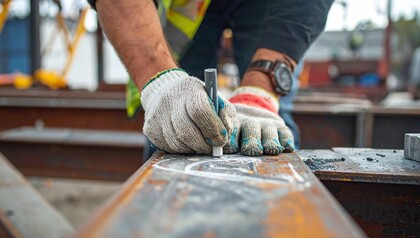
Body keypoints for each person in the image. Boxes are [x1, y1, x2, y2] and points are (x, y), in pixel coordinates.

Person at [87, 0, 333, 157]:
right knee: (177, 120)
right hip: (185, 7)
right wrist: (160, 80)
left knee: (266, 124)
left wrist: (262, 89)